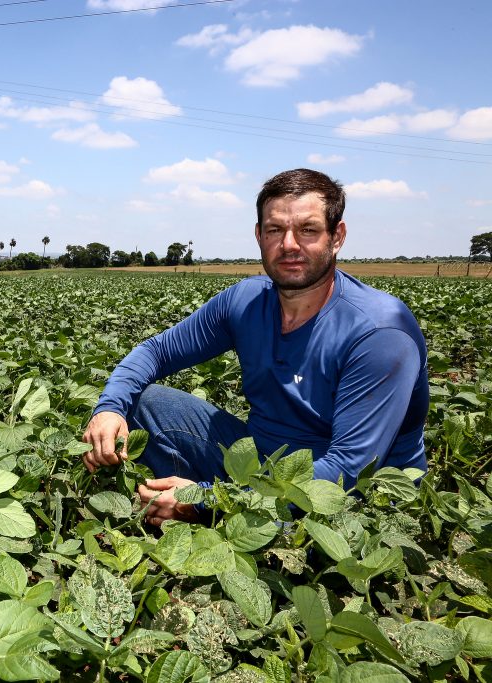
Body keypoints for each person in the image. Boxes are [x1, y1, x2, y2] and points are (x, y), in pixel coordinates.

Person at [81, 168, 428, 526]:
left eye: (307, 230)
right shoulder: (246, 301)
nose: (289, 244)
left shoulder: (380, 331)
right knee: (142, 401)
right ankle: (179, 506)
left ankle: (201, 513)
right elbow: (156, 353)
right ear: (259, 235)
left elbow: (349, 468)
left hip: (350, 497)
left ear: (336, 236)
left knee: (300, 537)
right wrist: (108, 410)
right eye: (275, 230)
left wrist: (202, 500)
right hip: (261, 461)